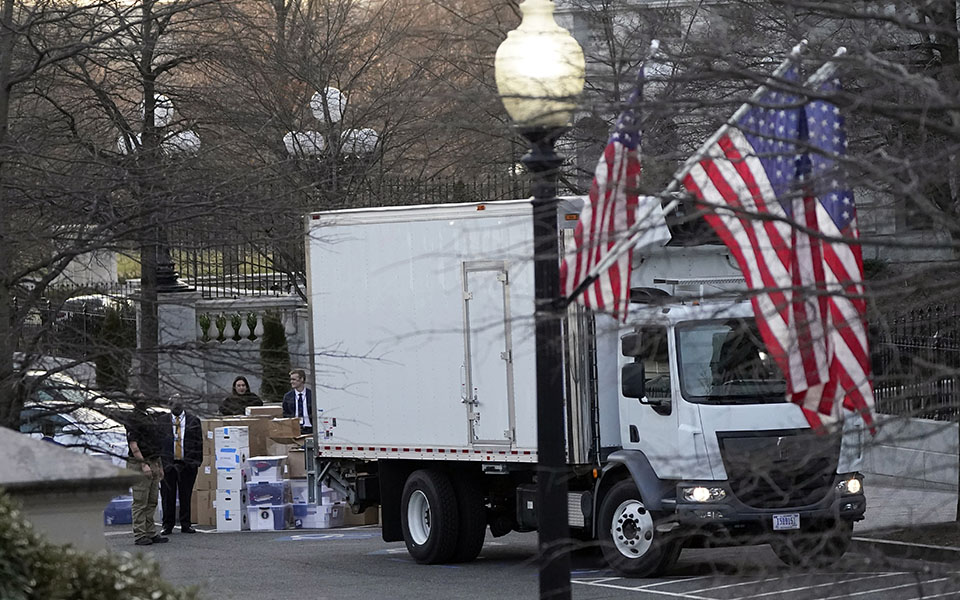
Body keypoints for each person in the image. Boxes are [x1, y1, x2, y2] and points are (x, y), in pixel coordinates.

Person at [125, 392, 168, 546]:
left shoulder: (149, 416)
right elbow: (134, 445)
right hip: (139, 463)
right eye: (140, 399)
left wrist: (159, 466)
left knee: (152, 501)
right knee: (140, 501)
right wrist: (143, 464)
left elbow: (156, 444)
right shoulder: (132, 419)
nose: (143, 401)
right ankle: (140, 534)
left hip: (154, 460)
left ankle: (150, 532)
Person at [159, 394, 203, 535]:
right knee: (168, 495)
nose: (176, 407)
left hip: (187, 463)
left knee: (186, 494)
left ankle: (186, 524)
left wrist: (197, 462)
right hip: (168, 463)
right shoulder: (162, 421)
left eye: (179, 404)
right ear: (169, 405)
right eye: (173, 404)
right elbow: (158, 443)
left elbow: (198, 442)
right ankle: (167, 524)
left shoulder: (193, 420)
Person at [282, 369, 313, 434]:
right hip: (294, 430)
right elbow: (285, 413)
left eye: (294, 379)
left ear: (301, 379)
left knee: (309, 444)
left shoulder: (312, 395)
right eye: (291, 379)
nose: (291, 382)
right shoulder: (288, 397)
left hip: (310, 430)